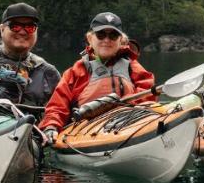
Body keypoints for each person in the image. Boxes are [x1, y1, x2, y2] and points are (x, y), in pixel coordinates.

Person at [39, 12, 155, 144]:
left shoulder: (132, 66)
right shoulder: (75, 72)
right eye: (101, 35)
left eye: (113, 35)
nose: (106, 40)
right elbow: (57, 106)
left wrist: (138, 111)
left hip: (127, 125)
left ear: (121, 40)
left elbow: (147, 92)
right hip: (85, 133)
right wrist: (51, 126)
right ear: (90, 38)